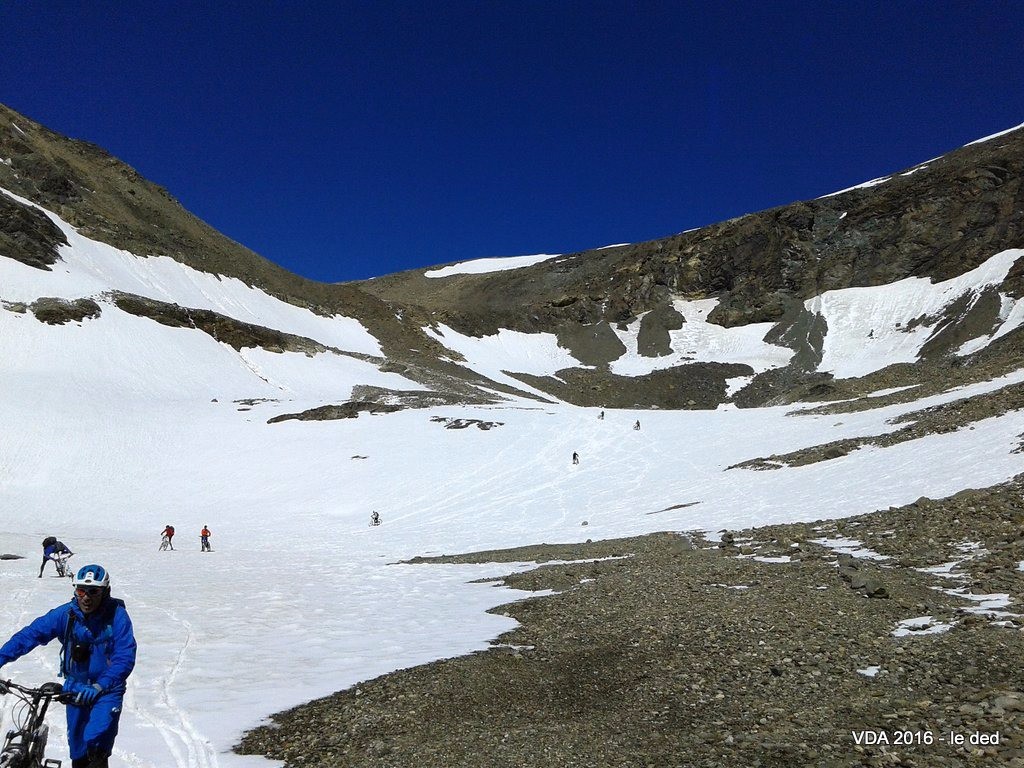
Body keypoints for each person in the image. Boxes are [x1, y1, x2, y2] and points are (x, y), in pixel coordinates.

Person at [0, 564, 137, 768]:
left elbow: (124, 657)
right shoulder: (67, 614)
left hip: (106, 690)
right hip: (74, 689)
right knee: (78, 749)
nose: (86, 597)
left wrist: (100, 686)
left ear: (105, 592)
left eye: (93, 591)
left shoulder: (117, 617)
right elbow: (31, 635)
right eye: (81, 590)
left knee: (96, 744)